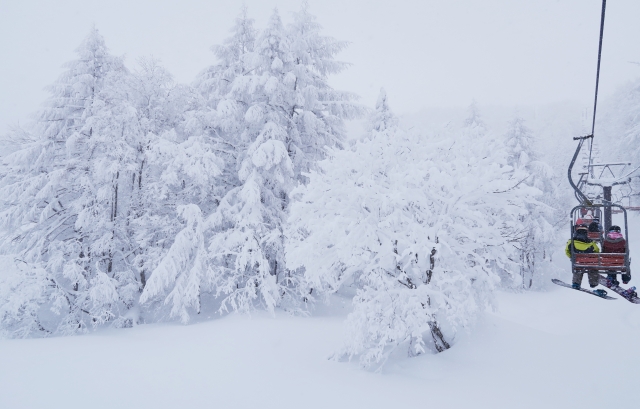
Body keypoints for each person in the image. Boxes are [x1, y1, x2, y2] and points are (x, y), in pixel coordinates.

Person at [565, 224, 603, 293]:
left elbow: (567, 251)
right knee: (593, 268)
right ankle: (593, 282)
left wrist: (571, 257)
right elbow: (597, 251)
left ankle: (576, 283)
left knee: (578, 268)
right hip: (590, 263)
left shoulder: (571, 241)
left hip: (578, 262)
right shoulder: (591, 242)